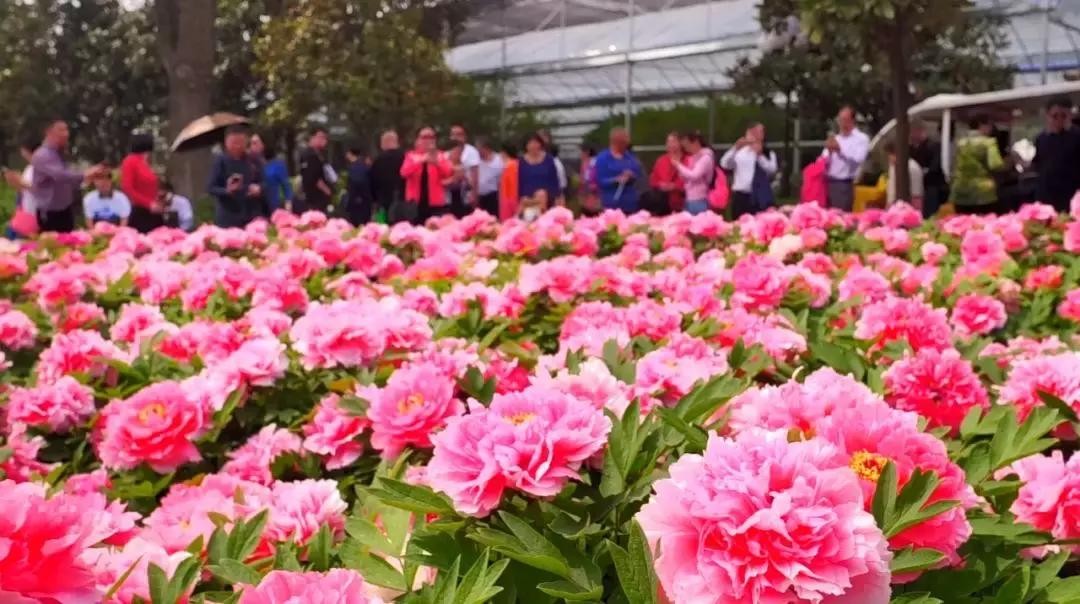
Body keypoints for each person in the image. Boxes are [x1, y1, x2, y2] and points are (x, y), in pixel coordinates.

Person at [31, 120, 106, 233]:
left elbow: (69, 179)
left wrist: (88, 178)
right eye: (61, 130)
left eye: (67, 130)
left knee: (69, 241)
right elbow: (61, 175)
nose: (66, 134)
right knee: (53, 243)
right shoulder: (43, 155)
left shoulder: (60, 154)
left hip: (65, 210)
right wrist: (85, 173)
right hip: (50, 213)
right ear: (49, 132)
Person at [208, 125, 265, 228]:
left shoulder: (254, 159)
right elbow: (211, 188)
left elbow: (265, 182)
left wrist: (259, 188)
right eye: (234, 143)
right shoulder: (220, 161)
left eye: (241, 142)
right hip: (228, 216)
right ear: (226, 142)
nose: (238, 146)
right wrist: (227, 190)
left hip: (251, 213)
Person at [951, 113, 1005, 215]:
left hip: (960, 192)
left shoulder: (960, 143)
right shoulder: (988, 142)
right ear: (981, 125)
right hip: (982, 193)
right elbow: (995, 165)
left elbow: (954, 165)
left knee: (964, 221)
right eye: (990, 125)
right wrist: (1007, 163)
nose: (991, 129)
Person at [1033, 97, 1080, 213]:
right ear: (1048, 116)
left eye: (1063, 116)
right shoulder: (1041, 138)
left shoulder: (1077, 136)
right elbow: (1039, 163)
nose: (1059, 120)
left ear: (1070, 115)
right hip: (1046, 194)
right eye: (1055, 116)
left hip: (1071, 194)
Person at [721, 123, 778, 218]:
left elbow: (772, 170)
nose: (757, 135)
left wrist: (760, 156)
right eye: (754, 132)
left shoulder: (768, 153)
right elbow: (725, 164)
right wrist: (735, 148)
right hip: (741, 196)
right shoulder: (740, 152)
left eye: (760, 132)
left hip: (760, 196)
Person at [399, 126, 454, 225]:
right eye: (424, 137)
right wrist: (422, 160)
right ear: (418, 140)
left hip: (435, 203)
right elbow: (404, 172)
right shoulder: (411, 155)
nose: (428, 140)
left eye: (431, 137)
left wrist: (436, 163)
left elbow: (448, 172)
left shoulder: (440, 155)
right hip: (415, 203)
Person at [822, 105, 870, 212]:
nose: (841, 123)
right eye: (840, 120)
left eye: (845, 120)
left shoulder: (861, 139)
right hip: (826, 182)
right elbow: (823, 160)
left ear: (852, 121)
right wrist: (829, 152)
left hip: (843, 184)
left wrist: (840, 150)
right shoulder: (836, 138)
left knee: (840, 216)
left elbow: (859, 159)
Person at [594, 127, 643, 213]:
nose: (626, 145)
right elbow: (600, 181)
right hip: (611, 205)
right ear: (616, 142)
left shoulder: (630, 158)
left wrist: (631, 175)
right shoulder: (603, 158)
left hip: (631, 204)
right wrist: (616, 180)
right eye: (624, 143)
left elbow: (639, 175)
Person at [120, 133, 162, 233]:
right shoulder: (130, 161)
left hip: (154, 210)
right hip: (141, 210)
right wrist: (148, 203)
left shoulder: (145, 162)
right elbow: (127, 187)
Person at [3, 136, 41, 238]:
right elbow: (24, 190)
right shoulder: (29, 168)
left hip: (36, 217)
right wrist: (15, 182)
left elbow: (43, 189)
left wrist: (21, 182)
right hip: (25, 214)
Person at [909, 119, 947, 218]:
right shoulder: (910, 148)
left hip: (932, 186)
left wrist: (922, 172)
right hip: (916, 187)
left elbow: (935, 166)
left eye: (913, 132)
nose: (911, 135)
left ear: (920, 131)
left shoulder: (934, 146)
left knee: (930, 213)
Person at [675, 131, 716, 215]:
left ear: (696, 143)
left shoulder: (705, 158)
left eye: (687, 146)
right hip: (689, 198)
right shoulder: (694, 157)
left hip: (699, 199)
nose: (687, 149)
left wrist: (678, 165)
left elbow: (694, 175)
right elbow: (688, 177)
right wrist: (682, 173)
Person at [517, 133, 563, 209]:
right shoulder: (520, 162)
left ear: (540, 144)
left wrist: (557, 197)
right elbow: (520, 182)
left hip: (547, 199)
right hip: (528, 201)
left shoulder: (549, 159)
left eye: (535, 142)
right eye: (530, 143)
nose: (533, 146)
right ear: (526, 145)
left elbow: (554, 180)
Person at [252, 134, 293, 215]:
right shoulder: (249, 163)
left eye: (255, 143)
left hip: (273, 207)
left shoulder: (277, 165)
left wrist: (288, 205)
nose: (252, 146)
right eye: (251, 143)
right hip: (254, 208)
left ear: (264, 144)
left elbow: (286, 186)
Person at [371, 130, 406, 222]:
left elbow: (373, 182)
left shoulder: (378, 160)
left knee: (382, 227)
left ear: (384, 142)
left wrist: (374, 200)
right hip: (403, 202)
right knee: (403, 226)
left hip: (382, 203)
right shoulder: (406, 157)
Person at [649, 132, 685, 215]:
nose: (670, 144)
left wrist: (675, 186)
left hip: (682, 203)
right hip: (663, 204)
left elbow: (693, 180)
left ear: (681, 143)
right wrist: (660, 185)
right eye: (668, 142)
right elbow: (653, 180)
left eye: (673, 141)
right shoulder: (661, 160)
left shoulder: (687, 159)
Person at [299, 126, 332, 214]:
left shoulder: (320, 155)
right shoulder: (310, 155)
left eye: (325, 138)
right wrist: (327, 191)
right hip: (315, 198)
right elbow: (313, 177)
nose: (323, 140)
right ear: (312, 137)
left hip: (320, 198)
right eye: (320, 137)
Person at [884, 140, 924, 210]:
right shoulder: (914, 164)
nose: (888, 158)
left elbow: (893, 189)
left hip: (905, 202)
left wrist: (889, 205)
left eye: (889, 155)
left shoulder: (899, 167)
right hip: (916, 200)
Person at [450, 124, 481, 210]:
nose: (456, 137)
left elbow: (475, 174)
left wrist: (474, 194)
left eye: (459, 134)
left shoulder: (471, 151)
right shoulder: (447, 152)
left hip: (466, 192)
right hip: (450, 193)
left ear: (465, 136)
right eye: (454, 134)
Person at [343, 143, 374, 226]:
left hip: (358, 202)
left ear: (350, 153)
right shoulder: (364, 165)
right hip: (365, 201)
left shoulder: (356, 167)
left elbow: (357, 182)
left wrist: (353, 198)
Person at [475, 137, 504, 217]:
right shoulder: (476, 161)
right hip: (480, 197)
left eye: (479, 149)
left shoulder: (499, 159)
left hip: (494, 196)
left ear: (486, 148)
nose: (478, 152)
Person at [444, 142, 470, 218]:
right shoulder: (444, 166)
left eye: (460, 153)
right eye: (456, 152)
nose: (458, 155)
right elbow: (440, 183)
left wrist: (465, 179)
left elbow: (469, 186)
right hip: (448, 201)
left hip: (461, 200)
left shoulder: (463, 166)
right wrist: (454, 178)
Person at [499, 144, 520, 221]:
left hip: (509, 203)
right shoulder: (513, 164)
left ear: (505, 153)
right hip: (508, 201)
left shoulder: (511, 166)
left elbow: (512, 188)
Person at [578, 144, 600, 216]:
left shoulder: (593, 162)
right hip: (585, 191)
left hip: (592, 192)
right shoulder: (584, 162)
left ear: (587, 152)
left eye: (581, 152)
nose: (580, 154)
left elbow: (592, 177)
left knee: (592, 211)